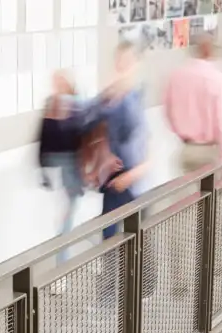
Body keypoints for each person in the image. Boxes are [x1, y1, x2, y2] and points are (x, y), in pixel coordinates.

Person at [75, 40, 151, 239]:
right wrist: (92, 163)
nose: (123, 67)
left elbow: (144, 143)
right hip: (115, 180)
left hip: (133, 182)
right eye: (121, 61)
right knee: (111, 239)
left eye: (128, 62)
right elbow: (85, 125)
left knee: (138, 243)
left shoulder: (135, 97)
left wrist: (135, 174)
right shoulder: (108, 98)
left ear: (135, 64)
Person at [163, 32, 222, 180]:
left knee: (186, 199)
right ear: (207, 50)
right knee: (211, 199)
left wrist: (183, 132)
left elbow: (169, 112)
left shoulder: (176, 76)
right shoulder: (218, 80)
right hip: (211, 152)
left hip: (187, 149)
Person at [38, 70, 86, 264]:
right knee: (66, 216)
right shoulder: (51, 104)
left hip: (72, 166)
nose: (56, 86)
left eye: (59, 82)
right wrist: (42, 168)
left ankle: (63, 262)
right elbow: (43, 136)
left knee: (67, 216)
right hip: (56, 165)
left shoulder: (77, 106)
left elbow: (82, 137)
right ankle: (63, 261)